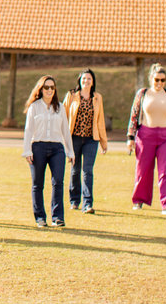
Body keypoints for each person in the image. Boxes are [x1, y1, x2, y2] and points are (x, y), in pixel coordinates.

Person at [127, 62, 166, 214]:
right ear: (151, 78)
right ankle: (139, 200)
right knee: (143, 170)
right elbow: (134, 115)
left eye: (163, 80)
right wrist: (130, 137)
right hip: (145, 136)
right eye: (157, 79)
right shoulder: (143, 94)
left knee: (165, 171)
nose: (159, 83)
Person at [22, 76, 74, 228]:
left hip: (57, 148)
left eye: (52, 87)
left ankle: (57, 217)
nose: (49, 90)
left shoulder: (60, 107)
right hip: (38, 147)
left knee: (58, 182)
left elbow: (65, 131)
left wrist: (70, 152)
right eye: (46, 87)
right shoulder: (34, 107)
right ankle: (40, 218)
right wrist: (27, 150)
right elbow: (28, 130)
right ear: (41, 89)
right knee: (38, 183)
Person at [63, 68, 108, 214]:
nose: (86, 81)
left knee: (87, 170)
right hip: (74, 138)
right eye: (83, 78)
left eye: (89, 79)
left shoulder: (97, 98)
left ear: (92, 81)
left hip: (91, 139)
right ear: (79, 80)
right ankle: (74, 200)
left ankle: (87, 203)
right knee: (75, 170)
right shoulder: (71, 96)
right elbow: (63, 116)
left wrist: (103, 142)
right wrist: (63, 139)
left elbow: (100, 120)